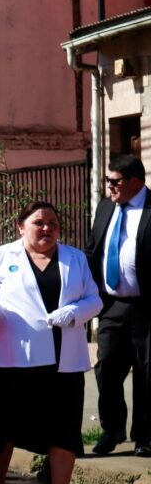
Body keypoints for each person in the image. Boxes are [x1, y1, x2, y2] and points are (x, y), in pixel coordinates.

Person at [0, 201, 102, 484]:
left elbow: (95, 299)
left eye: (53, 223)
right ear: (21, 226)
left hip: (63, 361)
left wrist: (74, 313)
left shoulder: (75, 259)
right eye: (38, 222)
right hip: (13, 358)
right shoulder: (4, 256)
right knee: (3, 428)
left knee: (63, 432)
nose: (46, 228)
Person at [87, 154, 151, 457]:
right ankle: (111, 430)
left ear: (136, 182)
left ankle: (145, 436)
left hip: (146, 306)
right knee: (107, 368)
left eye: (115, 181)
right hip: (112, 304)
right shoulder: (105, 208)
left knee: (146, 371)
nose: (109, 187)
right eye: (107, 181)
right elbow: (93, 250)